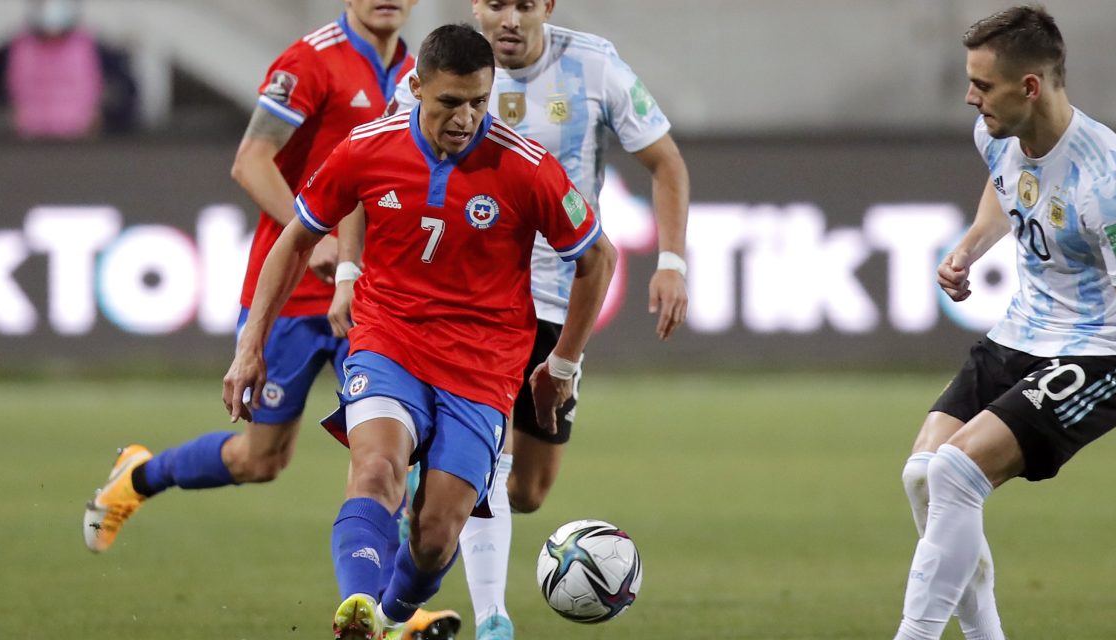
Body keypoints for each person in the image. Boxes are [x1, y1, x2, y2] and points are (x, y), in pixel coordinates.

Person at [223, 22, 615, 639]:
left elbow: (598, 259)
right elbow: (295, 239)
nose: (465, 118)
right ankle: (357, 608)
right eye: (449, 103)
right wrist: (250, 348)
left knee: (436, 537)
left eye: (479, 102)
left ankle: (390, 614)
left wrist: (561, 364)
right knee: (376, 470)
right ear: (416, 88)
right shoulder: (365, 148)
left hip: (482, 367)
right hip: (389, 342)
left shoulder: (525, 167)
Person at [329, 2, 689, 636]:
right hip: (463, 312)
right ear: (476, 7)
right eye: (497, 3)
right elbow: (366, 175)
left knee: (527, 490)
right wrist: (350, 273)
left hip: (557, 298)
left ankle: (432, 485)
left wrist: (672, 261)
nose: (511, 17)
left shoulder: (595, 66)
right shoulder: (428, 76)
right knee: (465, 472)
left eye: (525, 3)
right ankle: (492, 617)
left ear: (546, 6)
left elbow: (666, 162)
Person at [83, 0, 418, 581]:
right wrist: (310, 235)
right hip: (290, 292)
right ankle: (140, 476)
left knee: (384, 461)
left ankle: (388, 608)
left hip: (367, 297)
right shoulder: (310, 63)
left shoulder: (418, 75)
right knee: (260, 459)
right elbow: (250, 161)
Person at [891, 6, 1116, 640]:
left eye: (983, 85)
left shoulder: (1109, 181)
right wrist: (971, 246)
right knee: (923, 473)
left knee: (955, 473)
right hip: (1020, 334)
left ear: (1030, 86)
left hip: (1100, 356)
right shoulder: (996, 132)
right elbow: (1006, 187)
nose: (971, 98)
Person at [0, 0, 138, 139]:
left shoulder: (95, 49)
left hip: (81, 145)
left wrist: (107, 120)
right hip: (23, 145)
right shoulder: (13, 49)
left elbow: (126, 92)